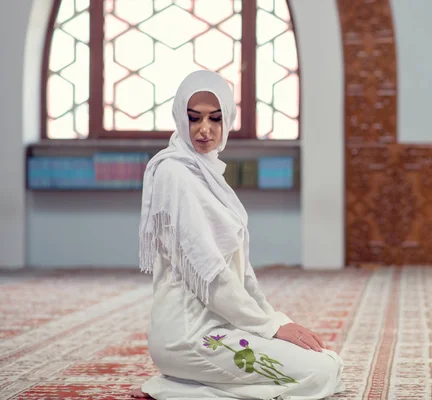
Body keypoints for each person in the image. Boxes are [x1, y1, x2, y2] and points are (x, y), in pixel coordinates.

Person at [132, 70, 345, 400]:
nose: (205, 130)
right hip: (188, 336)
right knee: (321, 373)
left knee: (325, 360)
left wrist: (274, 321)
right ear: (179, 117)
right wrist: (269, 327)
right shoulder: (174, 173)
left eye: (215, 119)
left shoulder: (209, 173)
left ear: (227, 120)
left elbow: (240, 274)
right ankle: (176, 385)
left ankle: (182, 385)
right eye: (194, 118)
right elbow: (213, 277)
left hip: (222, 326)